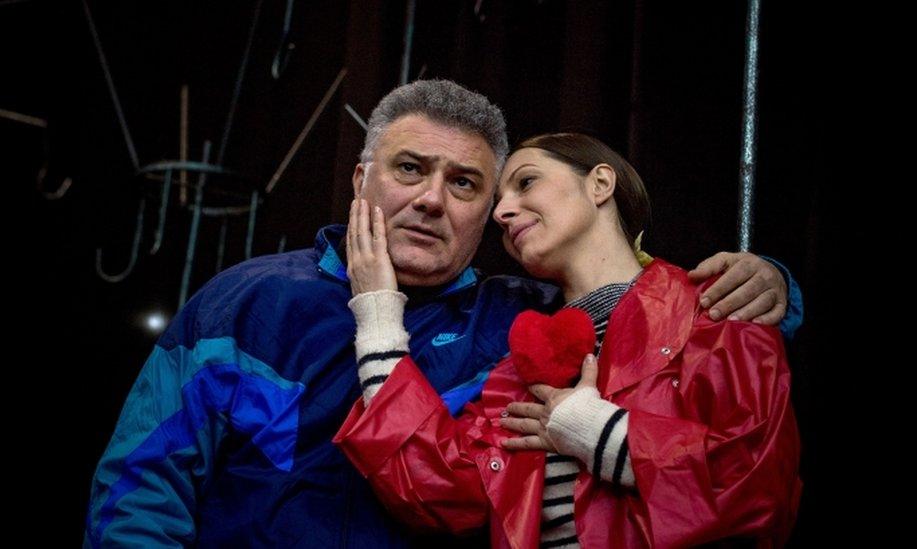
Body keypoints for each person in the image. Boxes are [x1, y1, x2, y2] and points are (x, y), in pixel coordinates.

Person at [85, 80, 797, 547]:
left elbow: (654, 320)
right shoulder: (245, 301)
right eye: (408, 169)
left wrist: (774, 288)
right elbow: (143, 485)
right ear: (362, 177)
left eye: (464, 183)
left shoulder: (521, 326)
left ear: (488, 214)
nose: (431, 199)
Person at [334, 132, 801, 548]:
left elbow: (757, 486)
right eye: (498, 200)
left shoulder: (719, 305)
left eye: (526, 182)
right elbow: (438, 491)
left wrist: (593, 430)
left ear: (600, 184)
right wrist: (378, 312)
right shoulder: (519, 365)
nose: (502, 211)